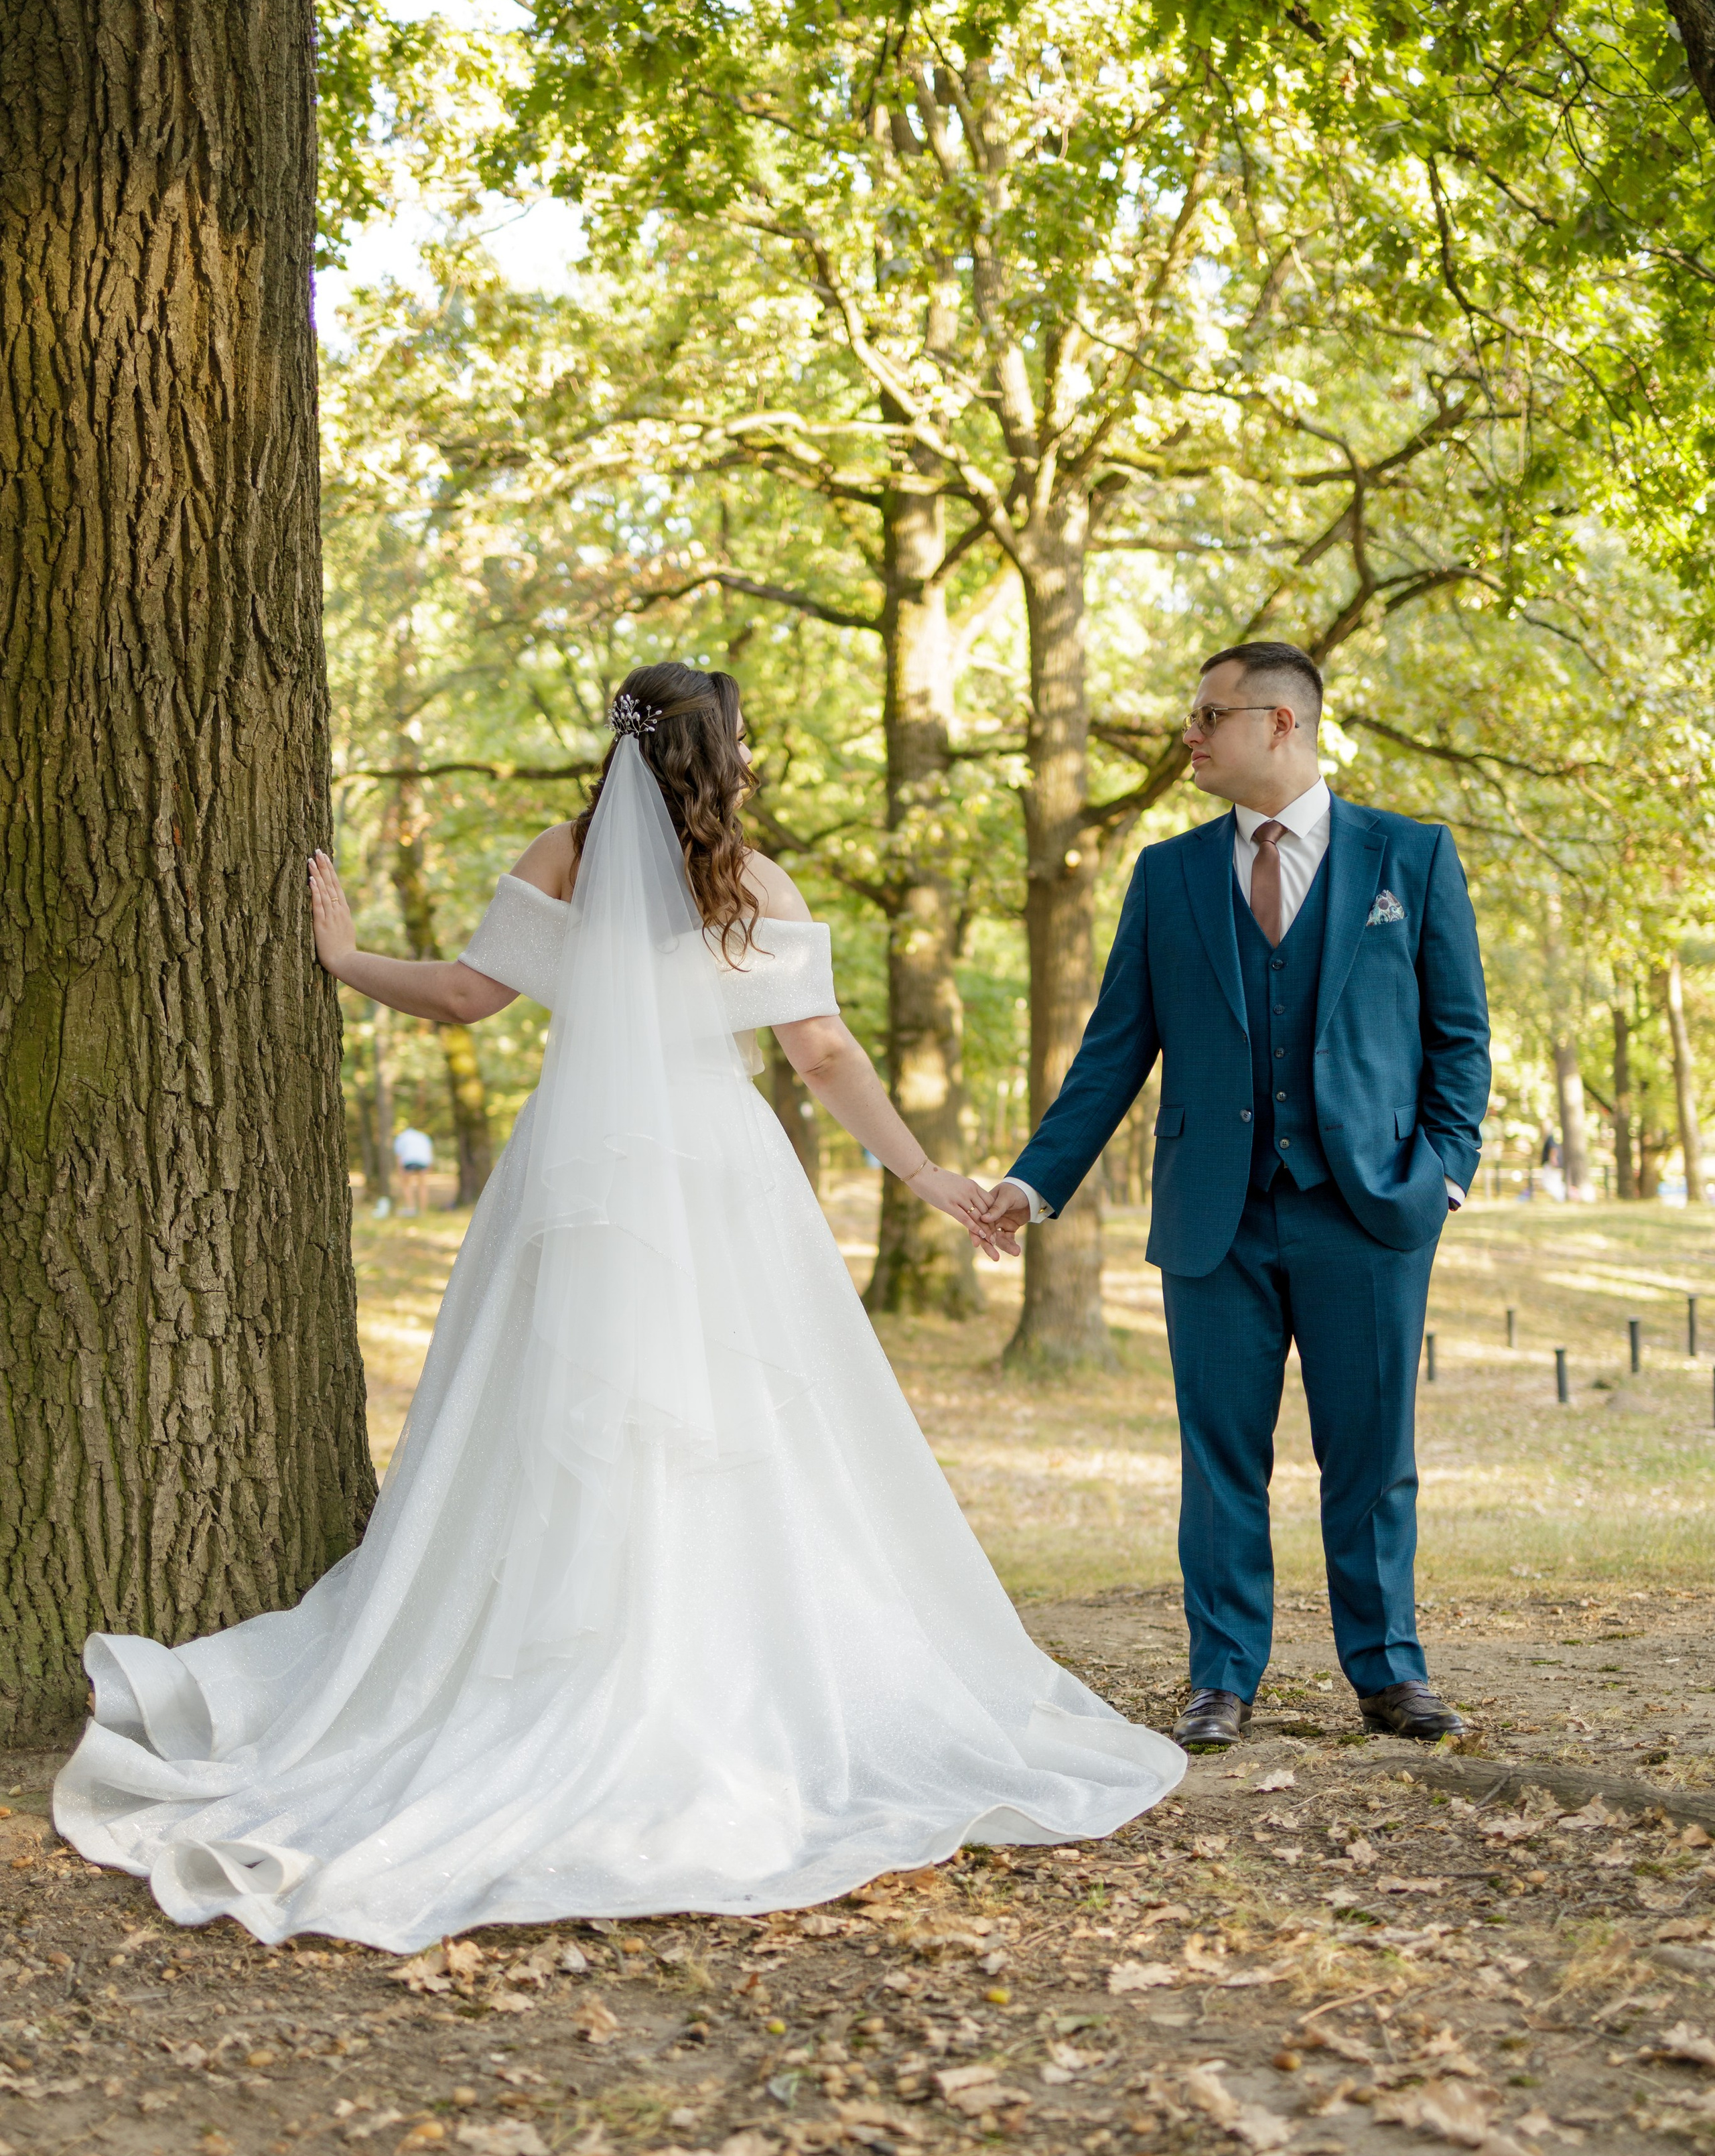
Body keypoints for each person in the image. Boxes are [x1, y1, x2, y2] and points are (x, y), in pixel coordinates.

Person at [54, 663, 1182, 1949]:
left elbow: (468, 996)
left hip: (582, 1174)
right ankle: (710, 1671)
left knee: (561, 1407)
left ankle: (566, 1650)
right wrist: (928, 1177)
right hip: (714, 1173)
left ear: (623, 751)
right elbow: (822, 1053)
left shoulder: (564, 855)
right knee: (733, 1415)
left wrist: (349, 957)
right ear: (725, 759)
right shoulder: (755, 884)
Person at [980, 641, 1490, 1751]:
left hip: (1369, 1211)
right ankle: (1222, 1677)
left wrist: (1443, 1170)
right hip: (1215, 1214)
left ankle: (1390, 1674)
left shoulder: (1412, 857)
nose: (1190, 736)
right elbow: (1114, 1053)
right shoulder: (1167, 875)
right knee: (1221, 1462)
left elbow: (1461, 1039)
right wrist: (1036, 1178)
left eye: (1209, 716)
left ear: (1282, 725)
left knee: (1371, 1456)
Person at [392, 1123, 433, 1215]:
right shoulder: (423, 1136)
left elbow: (399, 1155)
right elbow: (429, 1151)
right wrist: (430, 1165)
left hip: (409, 1160)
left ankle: (411, 1208)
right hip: (423, 1161)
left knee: (406, 1184)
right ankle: (423, 1211)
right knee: (422, 1185)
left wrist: (400, 1169)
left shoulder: (401, 1137)